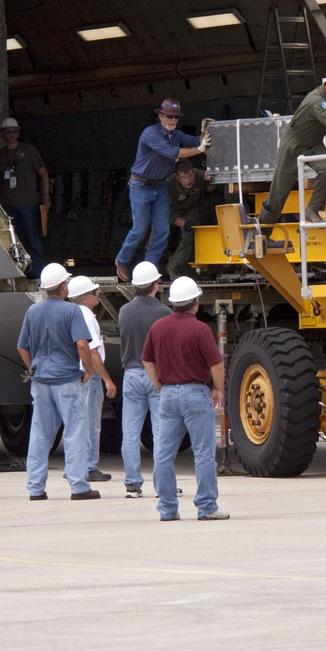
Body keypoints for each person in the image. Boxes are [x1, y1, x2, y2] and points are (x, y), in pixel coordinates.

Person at [141, 276, 228, 521]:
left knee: (163, 454)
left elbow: (147, 360)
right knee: (203, 454)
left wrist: (159, 384)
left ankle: (168, 508)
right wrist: (218, 390)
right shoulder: (200, 329)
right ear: (196, 302)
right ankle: (207, 507)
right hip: (195, 394)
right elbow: (216, 364)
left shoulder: (158, 327)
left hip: (168, 395)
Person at [17, 262, 101, 501]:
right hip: (67, 380)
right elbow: (83, 344)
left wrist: (32, 367)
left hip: (41, 380)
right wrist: (89, 369)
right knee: (74, 432)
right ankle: (78, 486)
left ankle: (35, 488)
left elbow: (22, 346)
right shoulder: (72, 311)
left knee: (40, 434)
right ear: (64, 286)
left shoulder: (33, 311)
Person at [257, 69, 326, 226]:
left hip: (313, 144)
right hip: (293, 147)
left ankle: (312, 209)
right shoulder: (317, 101)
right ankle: (262, 232)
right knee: (278, 195)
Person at [114, 99, 212, 281]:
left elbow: (195, 141)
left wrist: (205, 133)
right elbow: (173, 152)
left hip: (159, 186)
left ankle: (149, 270)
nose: (173, 120)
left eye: (176, 117)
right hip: (141, 186)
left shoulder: (175, 135)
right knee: (140, 228)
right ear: (160, 116)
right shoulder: (150, 134)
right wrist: (199, 148)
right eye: (169, 116)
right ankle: (122, 259)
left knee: (162, 230)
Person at [117, 261, 170, 498]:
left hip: (131, 373)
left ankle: (132, 484)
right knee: (161, 432)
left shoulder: (124, 311)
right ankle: (163, 486)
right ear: (154, 285)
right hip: (156, 375)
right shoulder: (164, 313)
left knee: (130, 432)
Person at [66, 276, 117, 483]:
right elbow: (92, 351)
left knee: (77, 422)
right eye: (95, 292)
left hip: (75, 375)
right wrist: (107, 379)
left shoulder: (72, 314)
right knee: (91, 423)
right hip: (89, 376)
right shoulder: (86, 316)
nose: (98, 294)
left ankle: (73, 465)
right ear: (85, 297)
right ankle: (88, 466)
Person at [0, 117, 51, 278]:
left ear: (18, 133)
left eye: (14, 132)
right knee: (12, 242)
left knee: (33, 240)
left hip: (28, 204)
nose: (11, 135)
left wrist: (46, 198)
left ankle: (38, 274)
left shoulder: (29, 151)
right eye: (7, 132)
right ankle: (17, 273)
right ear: (2, 134)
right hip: (8, 206)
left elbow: (43, 173)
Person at [165, 158, 211, 280]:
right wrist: (181, 222)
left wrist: (211, 180)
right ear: (178, 178)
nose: (189, 181)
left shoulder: (200, 176)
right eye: (184, 178)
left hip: (190, 208)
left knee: (191, 233)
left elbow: (214, 182)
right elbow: (164, 212)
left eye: (190, 176)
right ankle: (164, 268)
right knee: (158, 237)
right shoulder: (169, 184)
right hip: (169, 210)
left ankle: (179, 267)